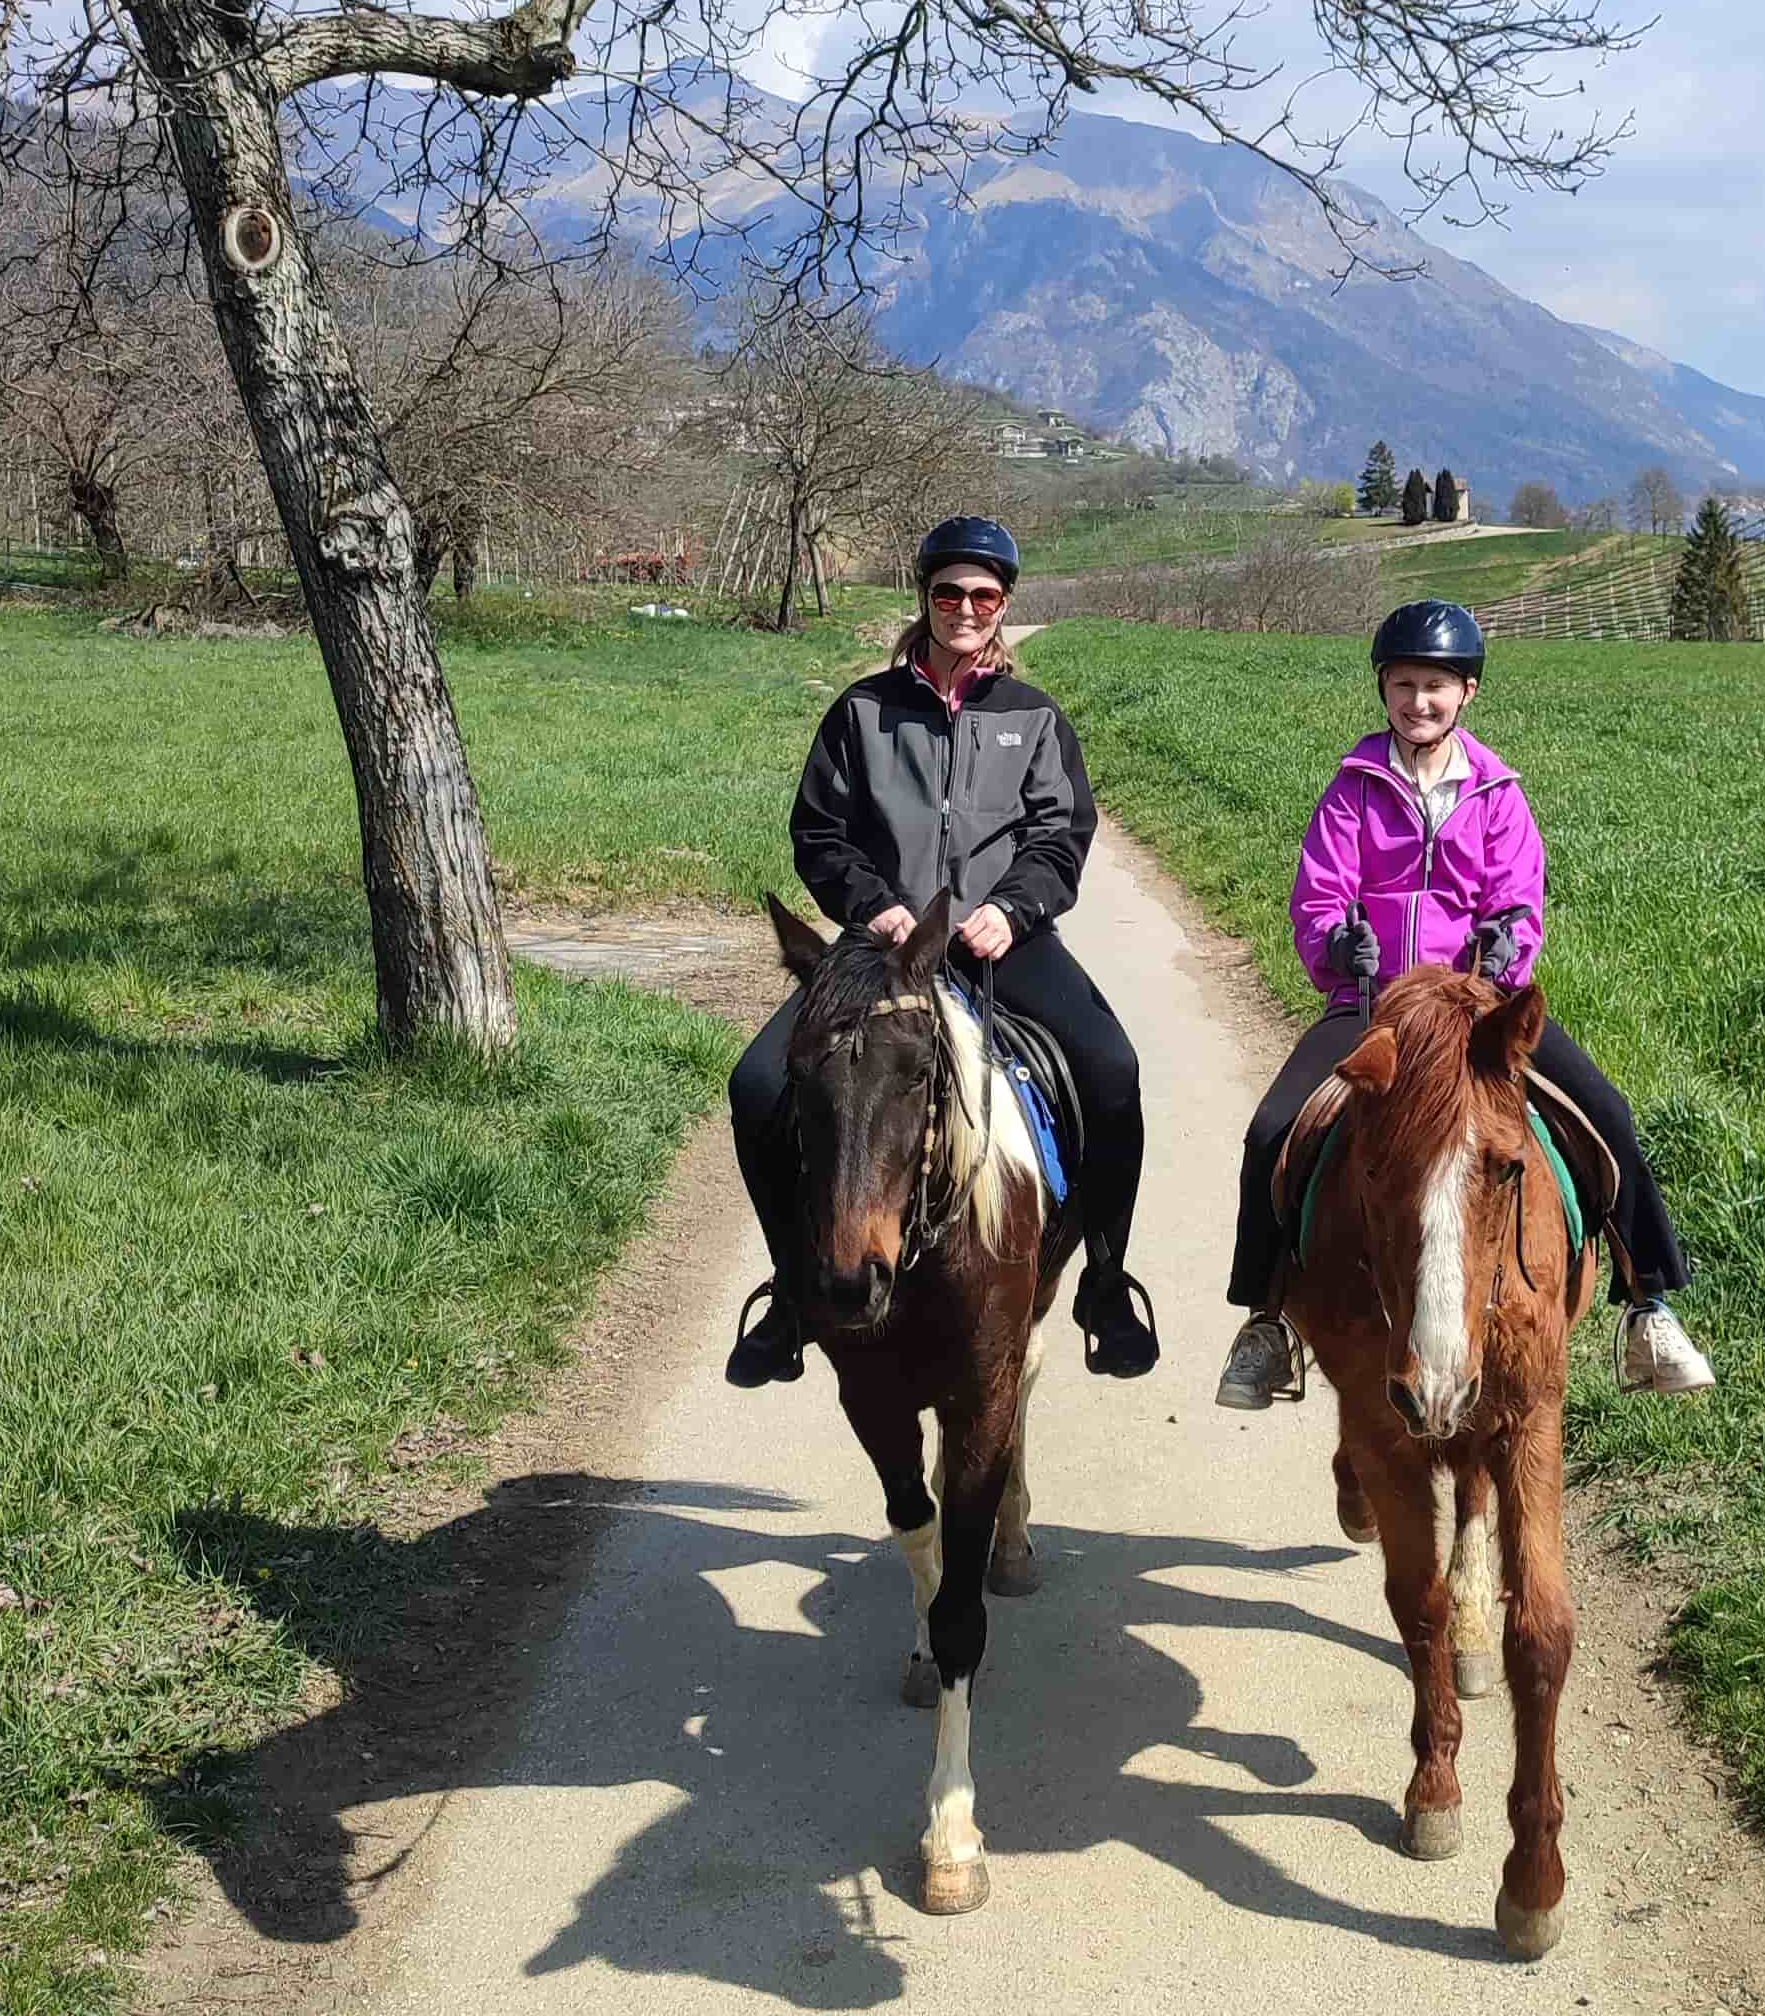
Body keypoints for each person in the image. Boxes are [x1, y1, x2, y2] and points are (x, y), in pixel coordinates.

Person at [1214, 597, 1714, 1408]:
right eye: (1403, 684)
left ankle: (1647, 1303)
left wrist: (1511, 945)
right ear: (1383, 690)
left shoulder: (1498, 792)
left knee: (1606, 1116)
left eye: (1436, 686)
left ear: (1468, 692)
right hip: (1374, 1007)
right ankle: (1266, 1320)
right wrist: (1340, 945)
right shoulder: (1353, 790)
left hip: (1477, 1017)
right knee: (1275, 1129)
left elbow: (1520, 894)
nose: (1418, 701)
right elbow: (1317, 898)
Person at [725, 517, 1159, 1383]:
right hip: (880, 948)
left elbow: (1061, 834)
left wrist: (1015, 907)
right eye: (949, 593)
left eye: (985, 596)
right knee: (760, 1083)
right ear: (923, 599)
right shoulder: (862, 710)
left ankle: (1105, 1284)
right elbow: (820, 834)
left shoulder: (1034, 718)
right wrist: (876, 909)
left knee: (1112, 1072)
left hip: (1000, 943)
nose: (966, 609)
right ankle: (792, 1292)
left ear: (1004, 608)